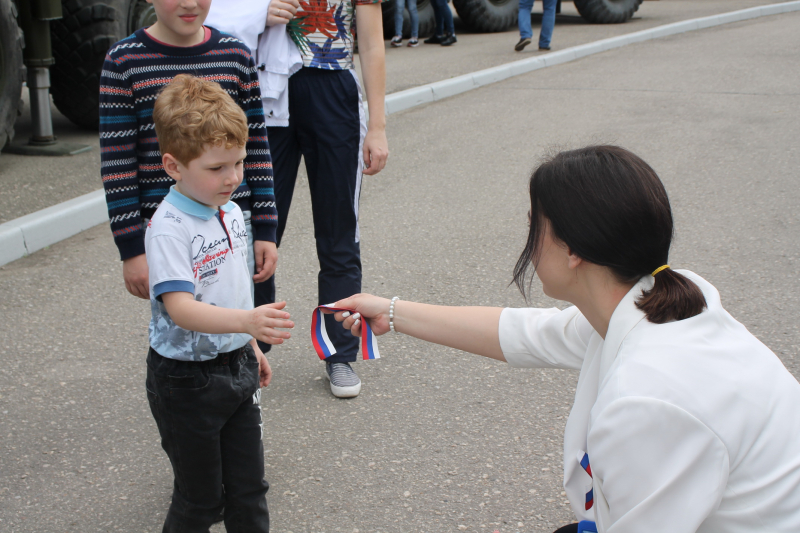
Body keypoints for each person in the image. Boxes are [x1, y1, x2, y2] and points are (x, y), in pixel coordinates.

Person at [331, 146, 800, 532]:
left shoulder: (649, 398)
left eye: (534, 225)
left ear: (574, 250)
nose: (528, 241)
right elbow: (526, 334)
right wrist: (392, 312)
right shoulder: (657, 296)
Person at [209, 0, 389, 398]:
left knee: (339, 228)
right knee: (258, 226)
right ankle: (248, 347)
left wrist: (377, 125)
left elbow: (373, 44)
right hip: (266, 86)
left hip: (333, 89)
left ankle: (339, 353)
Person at [145, 74, 294, 532]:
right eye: (216, 168)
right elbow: (182, 309)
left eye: (238, 163)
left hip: (236, 364)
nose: (232, 178)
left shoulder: (229, 210)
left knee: (249, 492)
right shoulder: (169, 227)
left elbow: (229, 289)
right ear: (173, 166)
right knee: (200, 501)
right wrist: (248, 322)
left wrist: (247, 344)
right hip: (186, 382)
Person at [99, 0, 279, 304]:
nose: (189, 3)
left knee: (248, 320)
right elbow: (118, 163)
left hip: (236, 219)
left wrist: (266, 227)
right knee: (183, 327)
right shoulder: (123, 61)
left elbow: (257, 147)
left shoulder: (235, 55)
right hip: (167, 228)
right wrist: (130, 248)